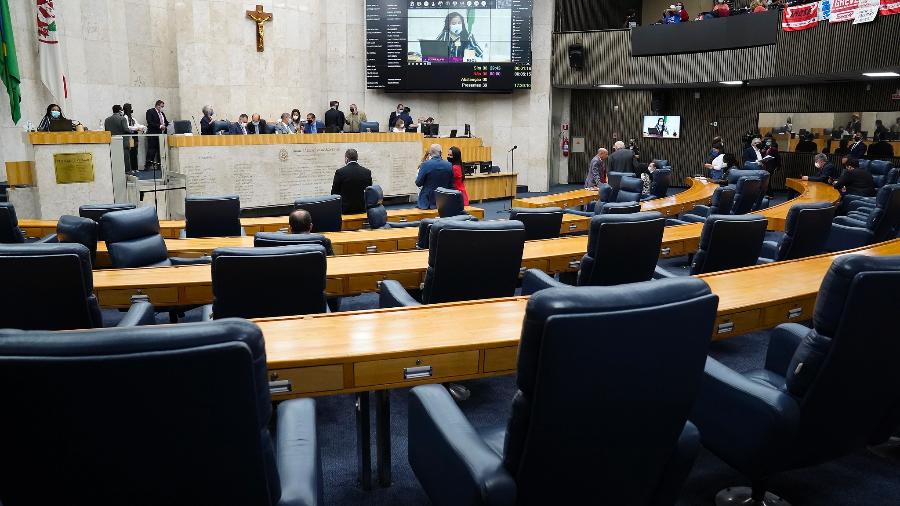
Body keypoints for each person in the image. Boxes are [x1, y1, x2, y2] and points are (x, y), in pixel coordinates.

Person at [330, 148, 373, 214]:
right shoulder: (367, 172)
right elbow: (369, 192)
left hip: (345, 211)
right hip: (362, 210)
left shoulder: (340, 172)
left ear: (346, 158)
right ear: (357, 158)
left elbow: (334, 194)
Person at [415, 144, 453, 209]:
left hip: (427, 202)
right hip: (444, 201)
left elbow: (418, 183)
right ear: (441, 152)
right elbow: (451, 184)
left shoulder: (425, 165)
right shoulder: (449, 165)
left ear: (430, 153)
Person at [145, 100, 169, 170]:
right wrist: (160, 126)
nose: (162, 108)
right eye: (161, 106)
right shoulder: (150, 111)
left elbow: (166, 122)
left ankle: (160, 166)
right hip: (153, 134)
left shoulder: (162, 113)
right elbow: (150, 122)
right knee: (151, 151)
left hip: (161, 135)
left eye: (163, 107)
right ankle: (148, 166)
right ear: (157, 105)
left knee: (160, 151)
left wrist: (168, 124)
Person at [122, 103, 145, 174]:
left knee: (135, 152)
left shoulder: (132, 118)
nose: (132, 110)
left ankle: (135, 167)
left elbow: (137, 125)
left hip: (135, 137)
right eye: (130, 108)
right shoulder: (124, 118)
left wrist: (142, 127)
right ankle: (131, 168)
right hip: (130, 137)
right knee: (131, 152)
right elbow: (128, 127)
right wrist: (137, 128)